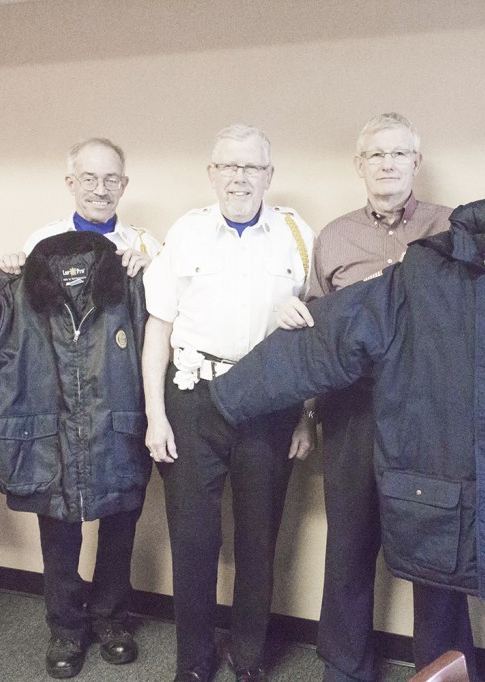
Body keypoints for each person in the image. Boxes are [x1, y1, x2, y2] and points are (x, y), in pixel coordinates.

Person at [276, 113, 478, 682]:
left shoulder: (453, 229)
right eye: (376, 156)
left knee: (437, 545)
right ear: (359, 165)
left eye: (398, 155)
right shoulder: (335, 237)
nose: (387, 165)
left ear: (416, 162)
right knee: (349, 542)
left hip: (433, 416)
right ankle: (345, 668)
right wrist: (308, 413)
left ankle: (442, 669)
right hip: (353, 410)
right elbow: (316, 335)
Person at [141, 123, 315, 682]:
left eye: (251, 167)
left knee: (259, 540)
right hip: (193, 400)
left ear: (270, 174)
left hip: (269, 402)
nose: (240, 177)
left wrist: (307, 412)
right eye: (228, 166)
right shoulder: (186, 234)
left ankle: (249, 660)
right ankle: (192, 663)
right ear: (212, 173)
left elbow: (317, 334)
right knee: (193, 542)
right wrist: (154, 416)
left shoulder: (296, 234)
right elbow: (158, 329)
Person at [0, 137, 160, 679]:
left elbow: (162, 330)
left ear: (124, 185)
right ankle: (65, 626)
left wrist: (154, 265)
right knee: (59, 526)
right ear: (70, 182)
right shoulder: (38, 246)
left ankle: (111, 617)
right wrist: (7, 268)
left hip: (119, 413)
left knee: (119, 520)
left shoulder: (145, 247)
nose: (100, 188)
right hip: (58, 415)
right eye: (88, 178)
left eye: (111, 179)